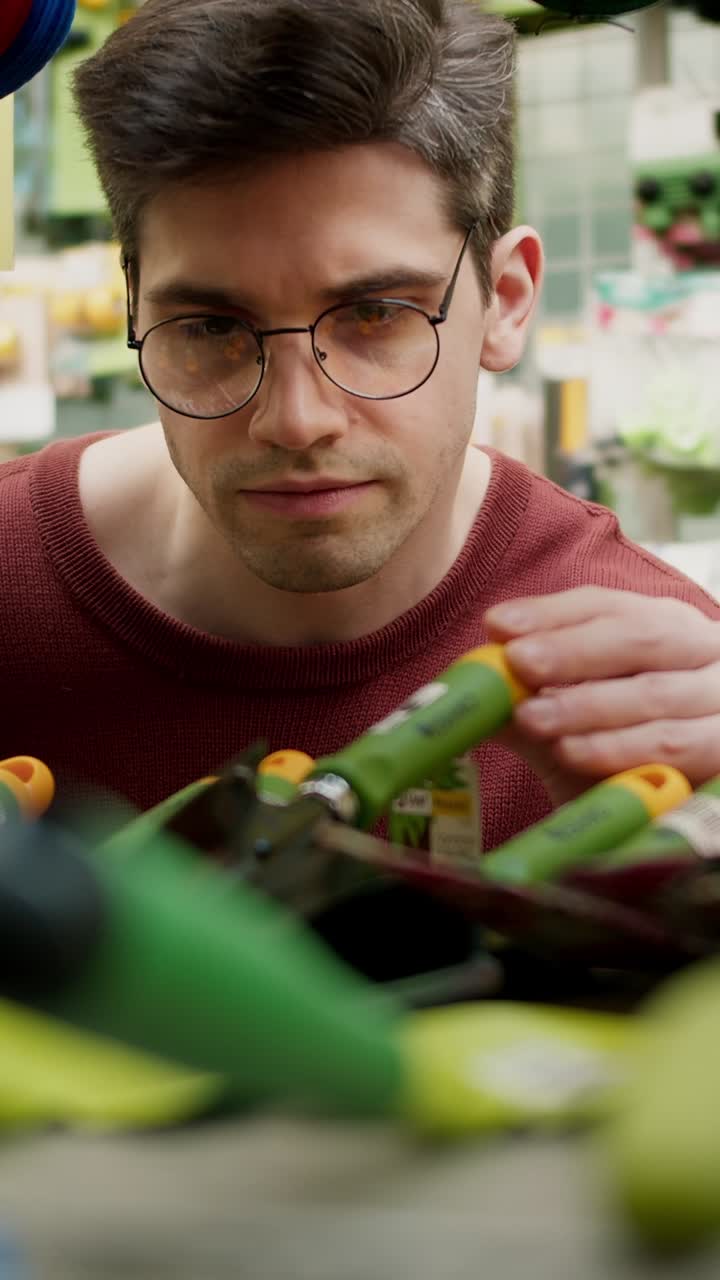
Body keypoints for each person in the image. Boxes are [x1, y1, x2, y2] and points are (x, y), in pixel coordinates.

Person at [2, 0, 719, 851]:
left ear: (509, 300)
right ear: (134, 310)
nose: (297, 421)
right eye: (211, 330)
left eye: (374, 315)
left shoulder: (661, 698)